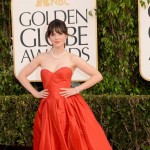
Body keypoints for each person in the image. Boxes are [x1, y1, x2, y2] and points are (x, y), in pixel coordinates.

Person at [17, 19, 112, 150]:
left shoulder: (72, 58)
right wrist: (35, 93)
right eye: (53, 34)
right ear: (49, 37)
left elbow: (98, 75)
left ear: (66, 35)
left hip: (69, 107)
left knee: (73, 140)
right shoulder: (41, 57)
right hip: (49, 106)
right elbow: (21, 75)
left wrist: (76, 89)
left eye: (60, 33)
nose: (56, 37)